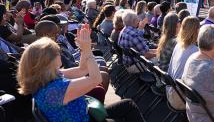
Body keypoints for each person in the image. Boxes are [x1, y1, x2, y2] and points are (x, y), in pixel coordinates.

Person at [17, 27, 146, 122]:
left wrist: (83, 49)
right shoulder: (55, 90)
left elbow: (83, 69)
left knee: (127, 105)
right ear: (47, 61)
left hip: (84, 114)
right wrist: (88, 49)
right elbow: (96, 79)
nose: (60, 53)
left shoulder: (46, 76)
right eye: (58, 52)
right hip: (85, 119)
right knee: (128, 109)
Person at [167, 16, 200, 110]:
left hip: (170, 91)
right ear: (196, 31)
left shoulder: (178, 45)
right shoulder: (195, 51)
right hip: (179, 98)